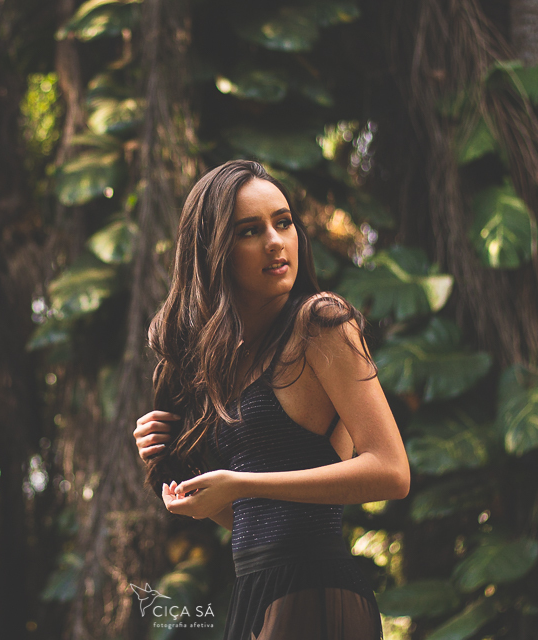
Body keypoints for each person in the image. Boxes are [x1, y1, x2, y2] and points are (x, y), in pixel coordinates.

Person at [132, 159, 410, 639]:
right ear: (213, 251)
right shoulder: (224, 362)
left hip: (316, 591)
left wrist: (241, 483)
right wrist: (186, 482)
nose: (276, 241)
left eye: (283, 223)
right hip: (257, 591)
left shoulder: (321, 323)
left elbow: (392, 471)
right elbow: (256, 521)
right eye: (249, 231)